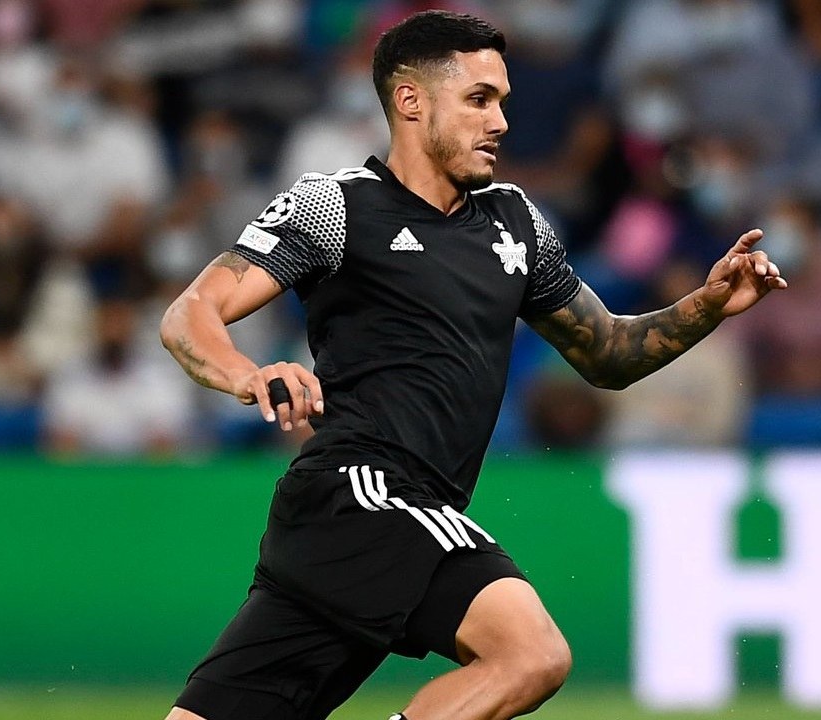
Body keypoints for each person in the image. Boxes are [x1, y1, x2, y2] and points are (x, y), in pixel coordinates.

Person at [158, 10, 786, 720]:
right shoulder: (335, 207)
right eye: (479, 100)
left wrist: (706, 305)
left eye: (502, 102)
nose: (501, 122)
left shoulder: (514, 222)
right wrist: (246, 375)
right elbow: (190, 313)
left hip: (369, 530)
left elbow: (607, 354)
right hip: (364, 493)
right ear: (410, 100)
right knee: (530, 653)